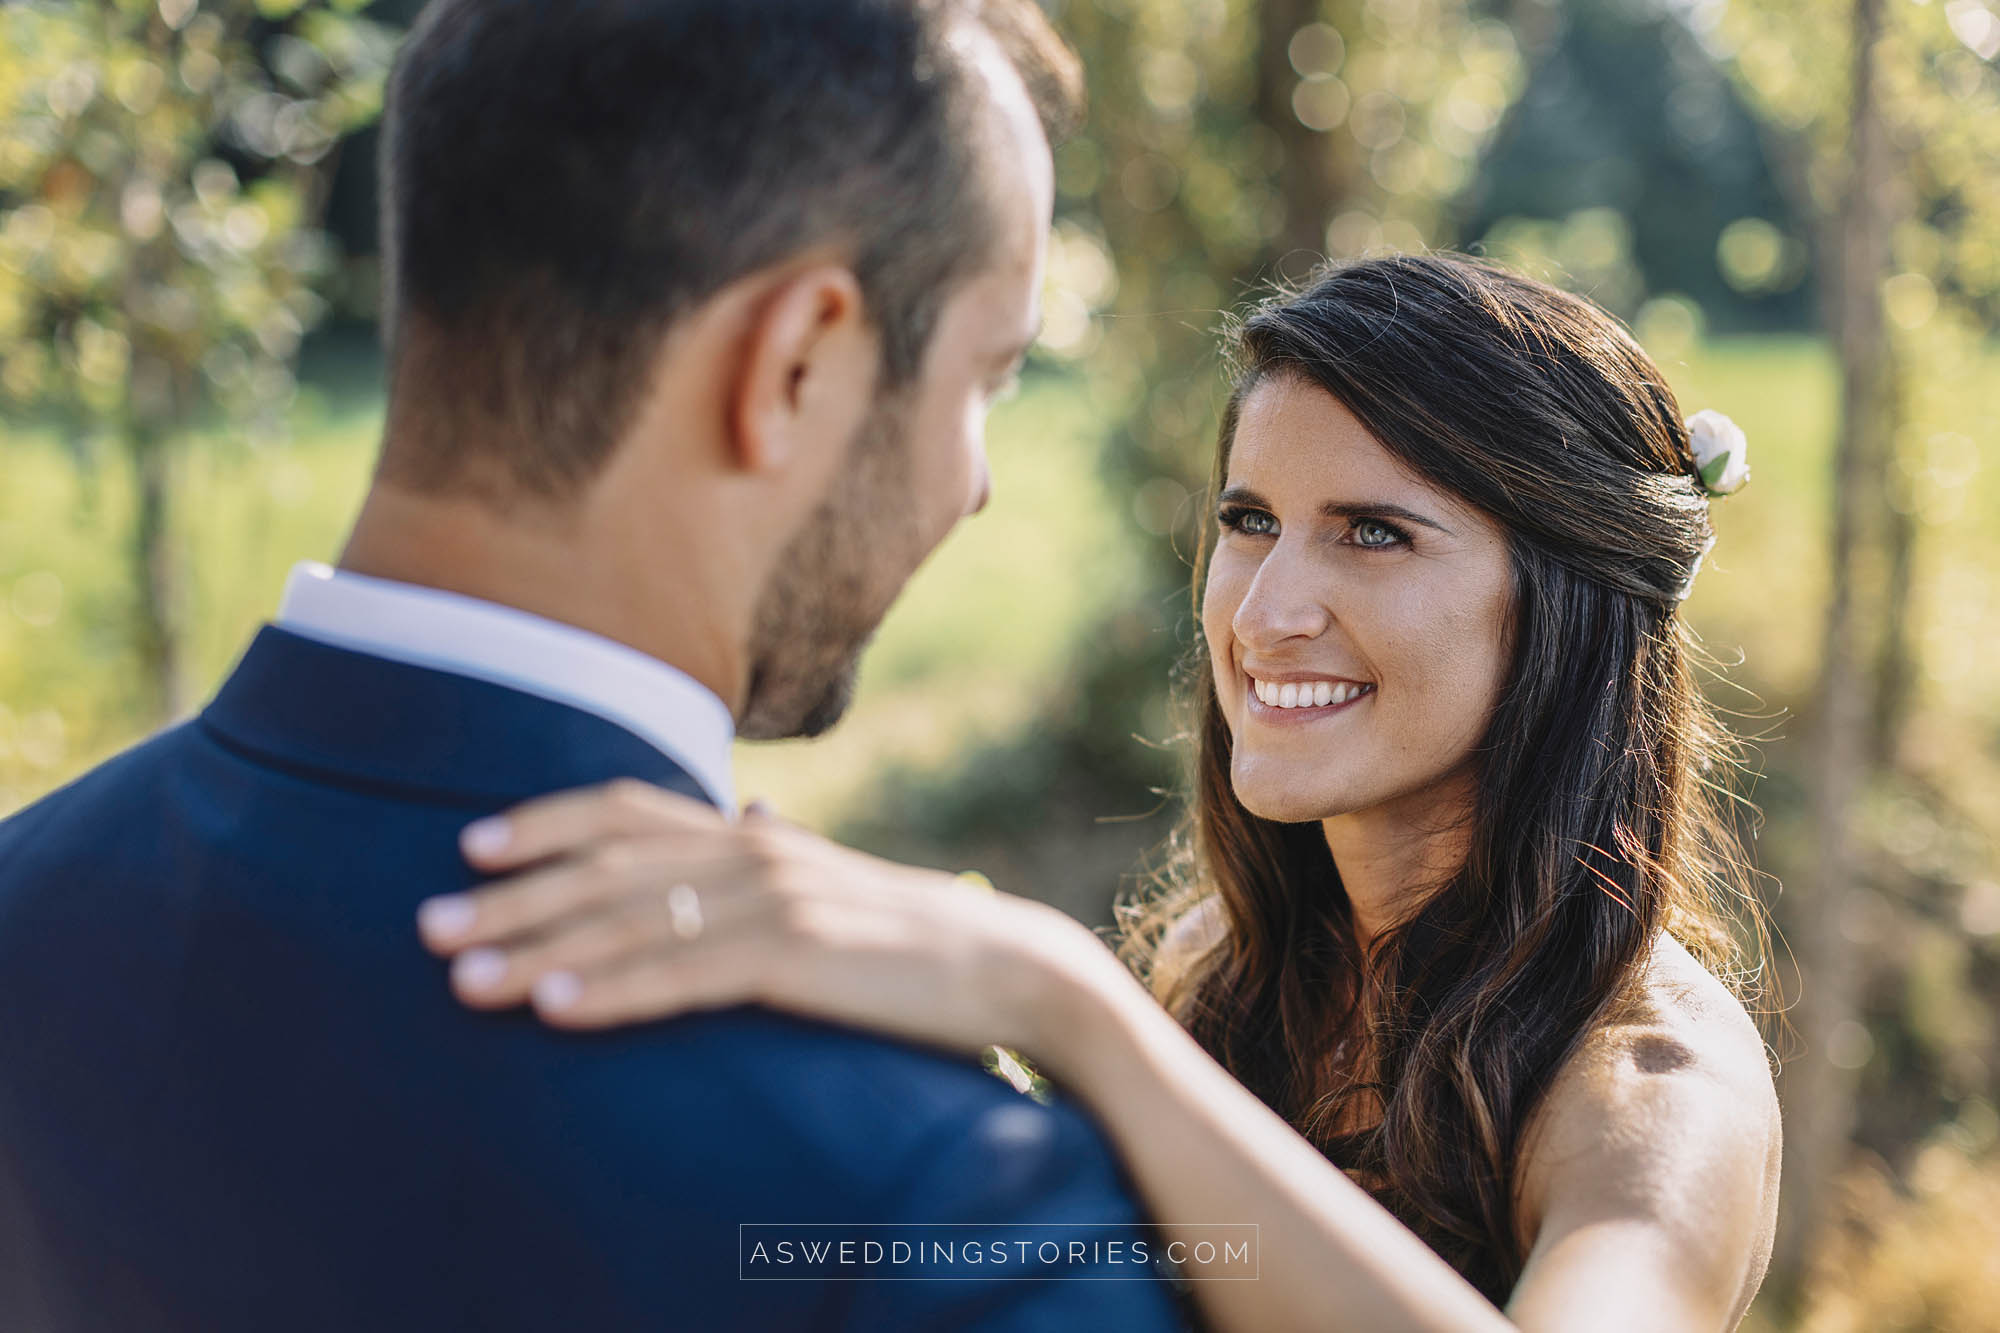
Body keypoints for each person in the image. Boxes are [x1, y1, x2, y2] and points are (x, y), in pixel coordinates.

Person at [0, 2, 1193, 1329]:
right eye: (989, 378)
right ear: (795, 363)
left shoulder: (24, 906)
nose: (975, 485)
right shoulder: (936, 1199)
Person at [417, 254, 1787, 1332]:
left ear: (1567, 604)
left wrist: (1066, 1006)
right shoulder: (1222, 971)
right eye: (1248, 520)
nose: (1266, 608)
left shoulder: (1653, 1087)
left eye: (1373, 533)